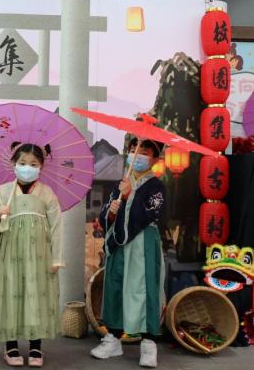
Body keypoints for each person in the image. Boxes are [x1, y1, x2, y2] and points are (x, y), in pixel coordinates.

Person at [0, 142, 63, 368]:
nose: (27, 168)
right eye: (22, 163)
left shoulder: (47, 193)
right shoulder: (3, 192)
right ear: (13, 164)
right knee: (10, 292)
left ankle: (36, 344)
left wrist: (56, 258)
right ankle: (11, 344)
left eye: (33, 164)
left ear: (41, 167)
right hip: (8, 253)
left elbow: (57, 227)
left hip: (39, 255)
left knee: (36, 294)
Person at [91, 138, 166, 368]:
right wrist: (112, 213)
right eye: (134, 150)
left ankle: (149, 343)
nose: (137, 155)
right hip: (119, 242)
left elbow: (150, 214)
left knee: (145, 289)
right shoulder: (122, 183)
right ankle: (113, 338)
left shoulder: (157, 187)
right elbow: (106, 215)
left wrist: (127, 197)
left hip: (144, 242)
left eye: (144, 152)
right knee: (115, 285)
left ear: (155, 159)